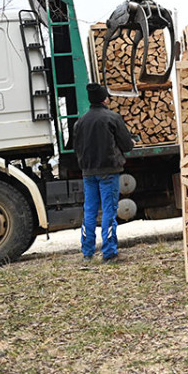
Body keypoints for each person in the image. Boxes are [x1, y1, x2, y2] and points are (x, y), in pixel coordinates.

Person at [74, 83, 134, 263]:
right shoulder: (112, 118)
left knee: (90, 211)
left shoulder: (80, 121)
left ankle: (87, 253)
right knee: (109, 211)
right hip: (109, 171)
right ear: (104, 99)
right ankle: (109, 253)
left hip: (88, 172)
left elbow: (76, 148)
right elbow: (127, 145)